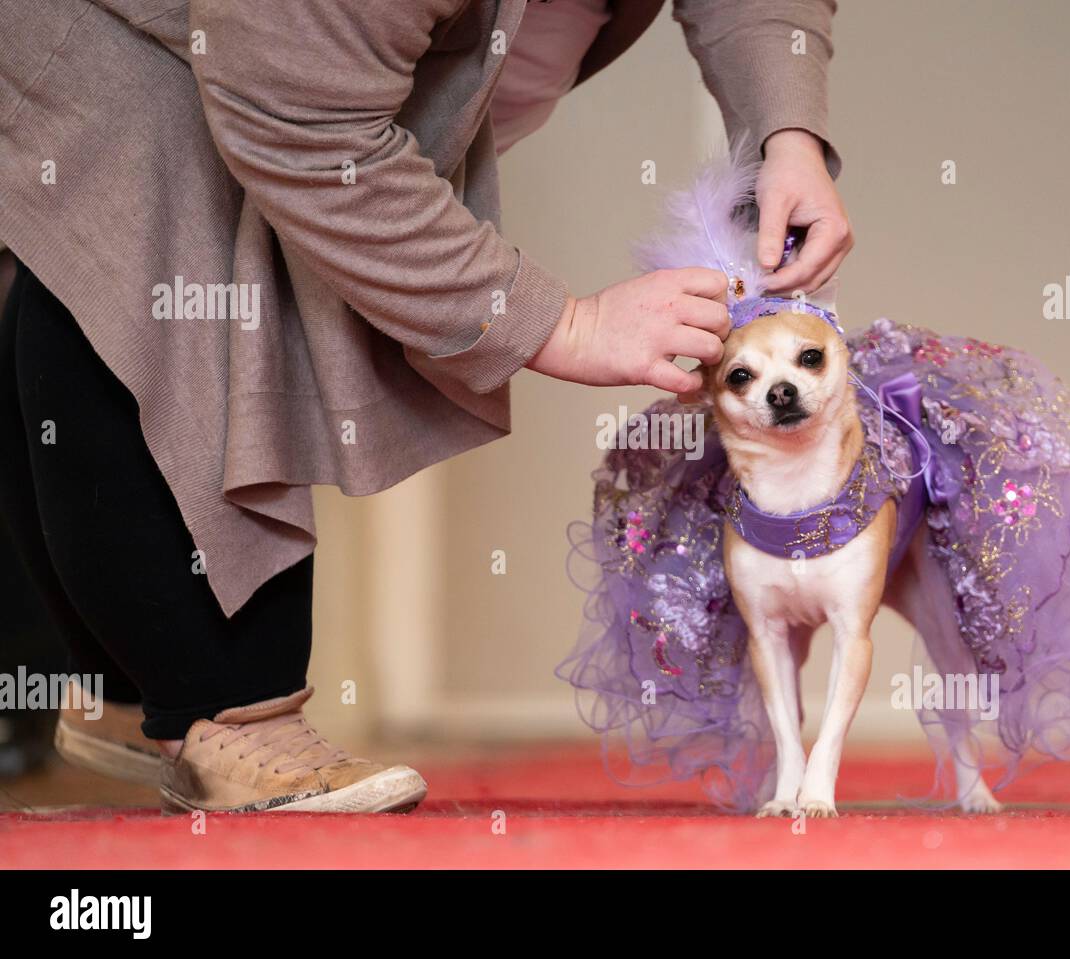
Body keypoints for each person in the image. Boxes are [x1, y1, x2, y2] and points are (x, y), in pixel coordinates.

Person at [0, 0, 851, 813]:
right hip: (173, 64)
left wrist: (788, 130)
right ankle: (217, 699)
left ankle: (124, 679)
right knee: (163, 254)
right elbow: (298, 125)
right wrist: (565, 325)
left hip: (300, 88)